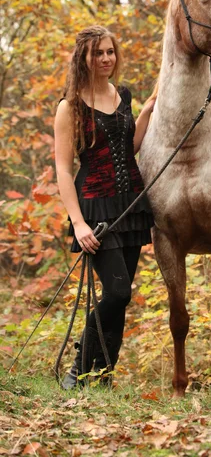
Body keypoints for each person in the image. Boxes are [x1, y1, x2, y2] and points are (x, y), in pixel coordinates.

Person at [54, 25, 155, 389]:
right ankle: (78, 370)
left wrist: (147, 111)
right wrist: (78, 224)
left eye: (110, 52)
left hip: (130, 206)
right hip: (94, 210)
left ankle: (104, 375)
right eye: (98, 53)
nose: (106, 59)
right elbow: (64, 171)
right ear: (83, 58)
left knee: (122, 295)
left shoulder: (122, 95)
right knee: (118, 292)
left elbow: (131, 146)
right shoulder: (70, 107)